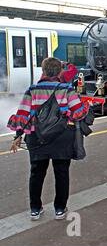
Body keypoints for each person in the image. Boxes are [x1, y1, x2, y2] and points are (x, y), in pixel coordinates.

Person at [8, 57, 90, 221]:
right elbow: (79, 112)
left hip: (37, 138)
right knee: (61, 173)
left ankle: (35, 209)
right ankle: (60, 209)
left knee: (36, 173)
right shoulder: (66, 89)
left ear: (43, 72)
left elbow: (23, 115)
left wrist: (17, 136)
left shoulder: (32, 90)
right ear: (60, 72)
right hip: (61, 138)